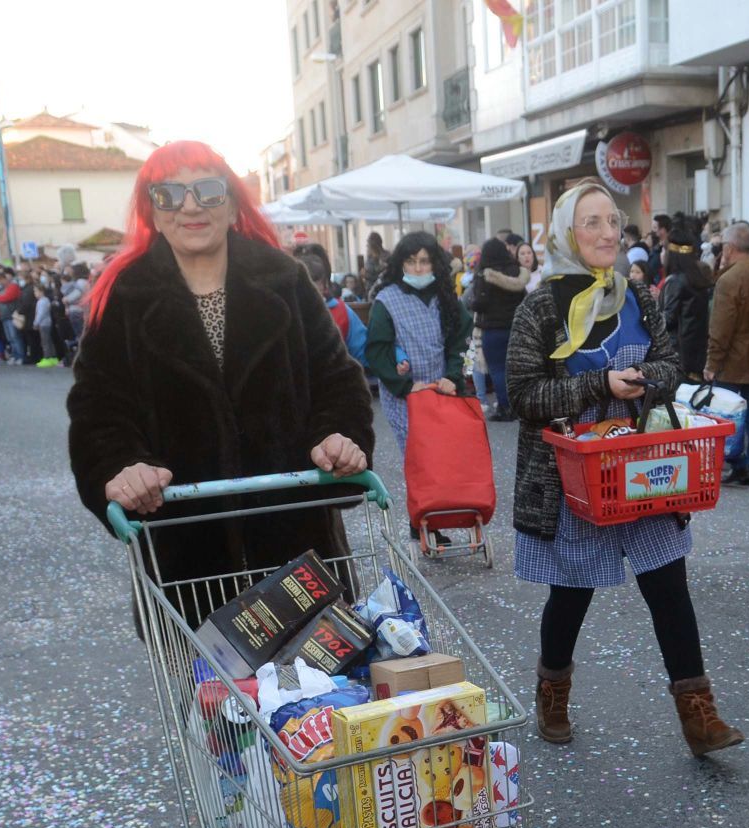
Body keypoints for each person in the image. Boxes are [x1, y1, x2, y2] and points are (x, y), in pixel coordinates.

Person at [504, 179, 743, 757]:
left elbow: (670, 362)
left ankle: (700, 717)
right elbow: (523, 393)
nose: (608, 232)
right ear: (566, 232)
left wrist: (645, 382)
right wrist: (597, 385)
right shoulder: (540, 306)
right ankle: (552, 692)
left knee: (669, 588)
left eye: (613, 220)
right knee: (572, 594)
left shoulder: (636, 296)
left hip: (643, 465)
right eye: (592, 222)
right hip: (575, 479)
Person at [67, 139, 372, 589]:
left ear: (232, 205)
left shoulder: (285, 280)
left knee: (317, 660)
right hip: (186, 561)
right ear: (152, 211)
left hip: (298, 549)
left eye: (208, 190)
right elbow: (97, 410)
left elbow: (338, 380)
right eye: (168, 194)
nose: (190, 206)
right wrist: (122, 464)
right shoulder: (123, 299)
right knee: (201, 658)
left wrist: (337, 436)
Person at [363, 231, 470, 458]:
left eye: (424, 261)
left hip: (443, 391)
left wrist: (453, 376)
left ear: (435, 263)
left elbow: (462, 342)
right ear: (401, 263)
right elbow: (377, 351)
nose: (418, 269)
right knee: (419, 462)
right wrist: (405, 386)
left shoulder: (446, 297)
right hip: (405, 398)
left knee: (448, 459)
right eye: (411, 262)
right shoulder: (387, 301)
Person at [704, 222, 749, 488]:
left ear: (730, 247)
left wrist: (712, 362)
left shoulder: (729, 279)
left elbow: (721, 327)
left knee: (726, 415)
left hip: (734, 357)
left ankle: (739, 464)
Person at [473, 235, 528, 422]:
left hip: (493, 329)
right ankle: (519, 405)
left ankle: (505, 407)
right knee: (516, 369)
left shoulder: (485, 275)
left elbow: (480, 302)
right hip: (515, 327)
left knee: (498, 369)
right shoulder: (516, 271)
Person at [657, 226, 712, 382]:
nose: (662, 253)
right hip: (696, 352)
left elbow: (667, 319)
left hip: (678, 353)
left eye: (664, 249)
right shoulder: (697, 276)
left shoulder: (675, 281)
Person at [32, 284, 60, 368]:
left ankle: (47, 358)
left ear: (41, 292)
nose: (35, 293)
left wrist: (36, 323)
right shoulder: (46, 300)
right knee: (49, 341)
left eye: (36, 291)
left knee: (45, 342)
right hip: (47, 323)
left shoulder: (42, 301)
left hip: (43, 324)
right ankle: (53, 357)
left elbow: (41, 314)